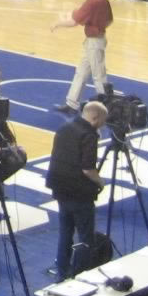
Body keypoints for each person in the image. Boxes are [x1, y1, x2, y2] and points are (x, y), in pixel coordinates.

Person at [46, 101, 106, 280]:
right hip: (79, 193)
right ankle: (80, 275)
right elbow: (88, 169)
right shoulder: (88, 135)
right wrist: (100, 182)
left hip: (60, 189)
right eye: (102, 121)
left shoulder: (64, 128)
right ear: (95, 118)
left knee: (65, 233)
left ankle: (62, 273)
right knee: (85, 238)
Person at [52, 0, 112, 112]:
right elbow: (109, 20)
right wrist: (100, 28)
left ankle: (107, 107)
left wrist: (58, 23)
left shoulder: (92, 1)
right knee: (81, 72)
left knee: (99, 75)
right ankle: (72, 103)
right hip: (97, 39)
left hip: (94, 43)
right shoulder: (104, 0)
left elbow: (74, 21)